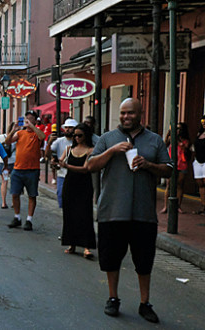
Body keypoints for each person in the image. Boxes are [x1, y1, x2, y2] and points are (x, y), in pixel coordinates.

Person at [86, 98, 171, 323]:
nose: (126, 117)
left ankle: (145, 303)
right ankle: (113, 298)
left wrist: (149, 165)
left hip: (143, 214)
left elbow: (169, 170)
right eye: (123, 113)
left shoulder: (154, 140)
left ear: (140, 114)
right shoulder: (107, 139)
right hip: (112, 211)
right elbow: (90, 166)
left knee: (144, 261)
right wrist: (112, 151)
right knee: (111, 259)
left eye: (131, 113)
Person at [60, 124, 96, 259]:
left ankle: (87, 246)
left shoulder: (91, 151)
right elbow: (60, 161)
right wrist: (55, 163)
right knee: (69, 213)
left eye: (80, 135)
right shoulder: (69, 149)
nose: (77, 138)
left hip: (84, 185)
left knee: (85, 213)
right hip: (70, 184)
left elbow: (86, 169)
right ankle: (72, 243)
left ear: (86, 135)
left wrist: (67, 166)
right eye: (75, 135)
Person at [5, 110, 45, 231]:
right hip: (18, 168)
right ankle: (17, 217)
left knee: (32, 195)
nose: (28, 120)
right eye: (26, 117)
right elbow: (8, 141)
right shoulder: (21, 133)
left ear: (35, 120)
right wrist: (14, 129)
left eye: (30, 118)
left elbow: (42, 137)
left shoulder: (36, 133)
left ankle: (29, 219)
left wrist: (32, 126)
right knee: (15, 194)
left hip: (32, 169)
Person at [46, 118, 78, 208]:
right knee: (60, 194)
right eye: (66, 127)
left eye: (70, 127)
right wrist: (49, 143)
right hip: (62, 173)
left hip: (75, 172)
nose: (67, 129)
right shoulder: (59, 141)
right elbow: (47, 154)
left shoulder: (78, 141)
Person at [160, 122, 190, 214]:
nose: (178, 130)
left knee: (180, 185)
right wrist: (170, 134)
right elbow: (164, 145)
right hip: (172, 164)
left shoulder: (185, 140)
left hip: (182, 163)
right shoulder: (171, 138)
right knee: (169, 185)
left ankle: (178, 206)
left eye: (180, 129)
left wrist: (178, 140)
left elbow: (186, 148)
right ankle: (166, 206)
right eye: (176, 129)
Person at [0, 134, 16, 209]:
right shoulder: (15, 137)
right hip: (13, 162)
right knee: (14, 182)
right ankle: (13, 202)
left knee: (4, 182)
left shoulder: (1, 137)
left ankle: (3, 202)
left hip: (3, 162)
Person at [192, 116, 205, 215]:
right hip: (197, 161)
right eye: (202, 121)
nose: (203, 123)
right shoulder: (199, 133)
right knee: (200, 183)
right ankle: (203, 205)